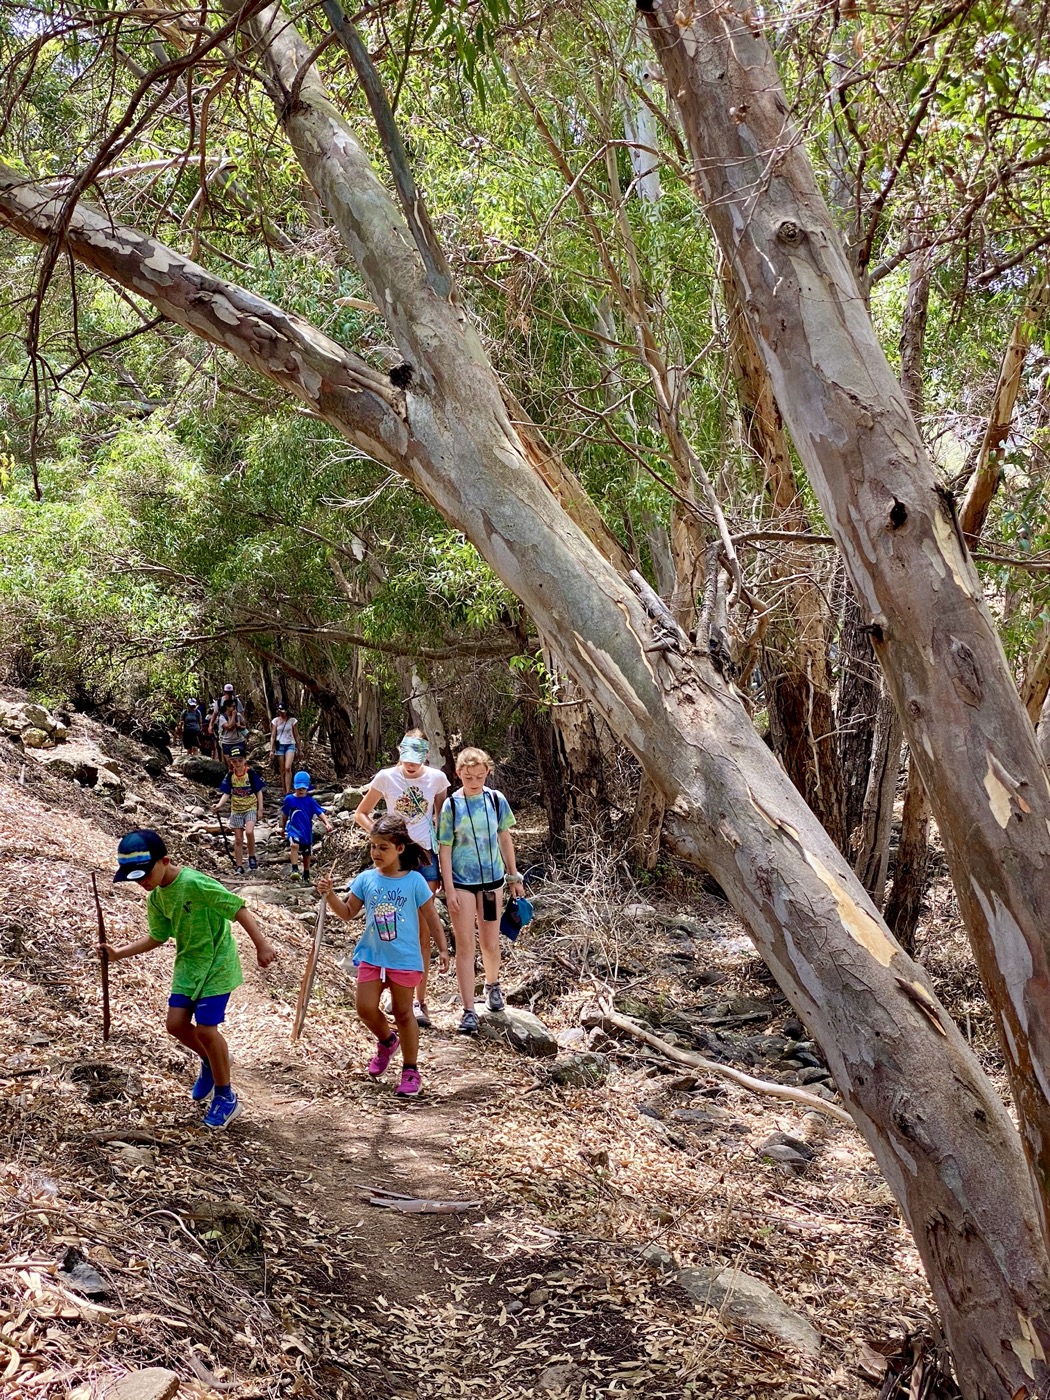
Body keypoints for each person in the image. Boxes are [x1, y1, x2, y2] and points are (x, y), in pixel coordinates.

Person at [103, 828, 276, 1129]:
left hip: (216, 964)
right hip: (188, 965)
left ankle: (225, 1097)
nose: (142, 883)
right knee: (176, 1025)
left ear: (165, 860)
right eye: (135, 878)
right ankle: (212, 1060)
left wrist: (261, 944)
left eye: (144, 875)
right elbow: (157, 936)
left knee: (208, 1031)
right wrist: (118, 954)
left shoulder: (195, 883)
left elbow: (238, 908)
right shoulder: (156, 897)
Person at [317, 814, 448, 1097]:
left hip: (404, 959)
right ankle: (387, 1042)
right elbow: (348, 913)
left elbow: (431, 917)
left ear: (400, 848)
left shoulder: (414, 882)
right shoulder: (365, 879)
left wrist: (443, 948)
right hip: (372, 956)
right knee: (364, 1007)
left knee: (403, 1013)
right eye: (372, 846)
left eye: (383, 847)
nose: (376, 853)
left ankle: (410, 1070)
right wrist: (330, 896)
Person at [353, 730, 448, 1028]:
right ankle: (396, 989)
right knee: (392, 926)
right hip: (396, 859)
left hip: (425, 860)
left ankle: (419, 1000)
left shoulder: (436, 778)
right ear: (399, 752)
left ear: (426, 757)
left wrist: (445, 863)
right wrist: (381, 838)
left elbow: (440, 819)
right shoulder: (385, 777)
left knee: (422, 930)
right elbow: (362, 813)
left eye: (416, 760)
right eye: (407, 758)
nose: (411, 765)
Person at [437, 747, 524, 1036]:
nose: (474, 781)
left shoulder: (495, 800)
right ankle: (468, 1010)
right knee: (465, 947)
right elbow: (445, 848)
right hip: (461, 883)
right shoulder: (451, 805)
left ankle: (492, 985)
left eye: (479, 775)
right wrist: (448, 889)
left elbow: (505, 837)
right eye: (467, 776)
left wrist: (513, 876)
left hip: (491, 882)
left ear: (488, 773)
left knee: (489, 942)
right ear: (458, 774)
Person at [214, 746, 265, 874]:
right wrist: (219, 805)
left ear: (245, 760)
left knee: (249, 831)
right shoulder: (230, 775)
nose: (237, 764)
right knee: (237, 839)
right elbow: (227, 793)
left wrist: (260, 809)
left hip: (250, 807)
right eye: (234, 761)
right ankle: (239, 865)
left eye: (240, 761)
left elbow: (259, 792)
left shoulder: (251, 774)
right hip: (236, 809)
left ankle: (252, 856)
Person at [281, 770, 332, 881]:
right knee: (294, 845)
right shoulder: (289, 799)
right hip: (293, 829)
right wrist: (282, 828)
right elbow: (285, 814)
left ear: (307, 788)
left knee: (306, 853)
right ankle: (295, 869)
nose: (301, 791)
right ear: (294, 787)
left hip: (306, 831)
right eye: (298, 788)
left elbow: (320, 813)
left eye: (303, 788)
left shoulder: (310, 801)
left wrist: (327, 823)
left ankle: (306, 872)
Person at [269, 704, 301, 795]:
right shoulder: (275, 721)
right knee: (282, 769)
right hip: (280, 746)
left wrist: (300, 749)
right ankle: (284, 790)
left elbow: (296, 735)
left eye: (282, 711)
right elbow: (273, 736)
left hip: (290, 744)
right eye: (279, 711)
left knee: (288, 767)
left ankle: (288, 791)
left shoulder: (292, 721)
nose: (281, 713)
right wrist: (271, 750)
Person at [216, 698, 248, 769]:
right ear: (227, 707)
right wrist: (233, 716)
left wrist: (240, 726)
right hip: (227, 743)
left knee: (241, 763)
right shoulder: (222, 717)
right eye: (233, 706)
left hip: (239, 741)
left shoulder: (239, 715)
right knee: (230, 765)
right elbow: (229, 727)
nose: (235, 708)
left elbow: (245, 726)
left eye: (235, 706)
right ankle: (231, 779)